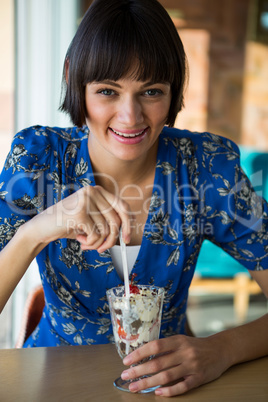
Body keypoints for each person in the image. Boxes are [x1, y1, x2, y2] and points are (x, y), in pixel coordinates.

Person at [0, 0, 267, 397]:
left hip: (171, 384)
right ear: (75, 81)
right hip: (51, 379)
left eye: (151, 91)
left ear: (174, 91)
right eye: (108, 91)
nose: (130, 116)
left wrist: (221, 349)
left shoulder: (206, 168)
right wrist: (37, 231)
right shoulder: (39, 159)